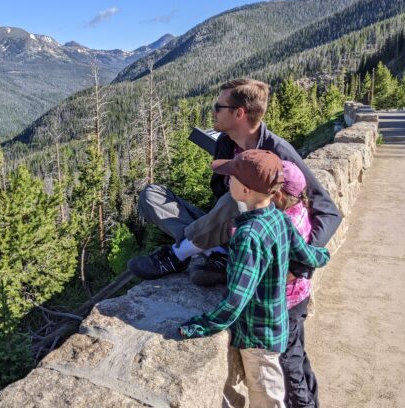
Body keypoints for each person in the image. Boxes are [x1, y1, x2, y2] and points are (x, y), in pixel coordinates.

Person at [128, 78, 341, 286]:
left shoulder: (278, 153)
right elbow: (217, 190)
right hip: (224, 225)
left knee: (237, 201)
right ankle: (214, 252)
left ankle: (177, 254)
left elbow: (329, 211)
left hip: (255, 236)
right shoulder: (225, 143)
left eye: (218, 107)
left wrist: (300, 264)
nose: (213, 112)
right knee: (152, 195)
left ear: (239, 113)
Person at [178, 149, 331, 408]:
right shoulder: (281, 219)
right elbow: (306, 254)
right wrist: (323, 254)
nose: (228, 182)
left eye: (232, 178)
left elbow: (236, 298)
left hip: (258, 338)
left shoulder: (247, 236)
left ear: (246, 191)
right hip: (277, 322)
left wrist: (201, 326)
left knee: (268, 400)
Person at [273, 160, 320, 408]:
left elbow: (277, 267)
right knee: (298, 351)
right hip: (300, 297)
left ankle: (303, 403)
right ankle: (312, 397)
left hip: (287, 300)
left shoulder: (284, 224)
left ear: (279, 195)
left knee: (289, 360)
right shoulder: (300, 209)